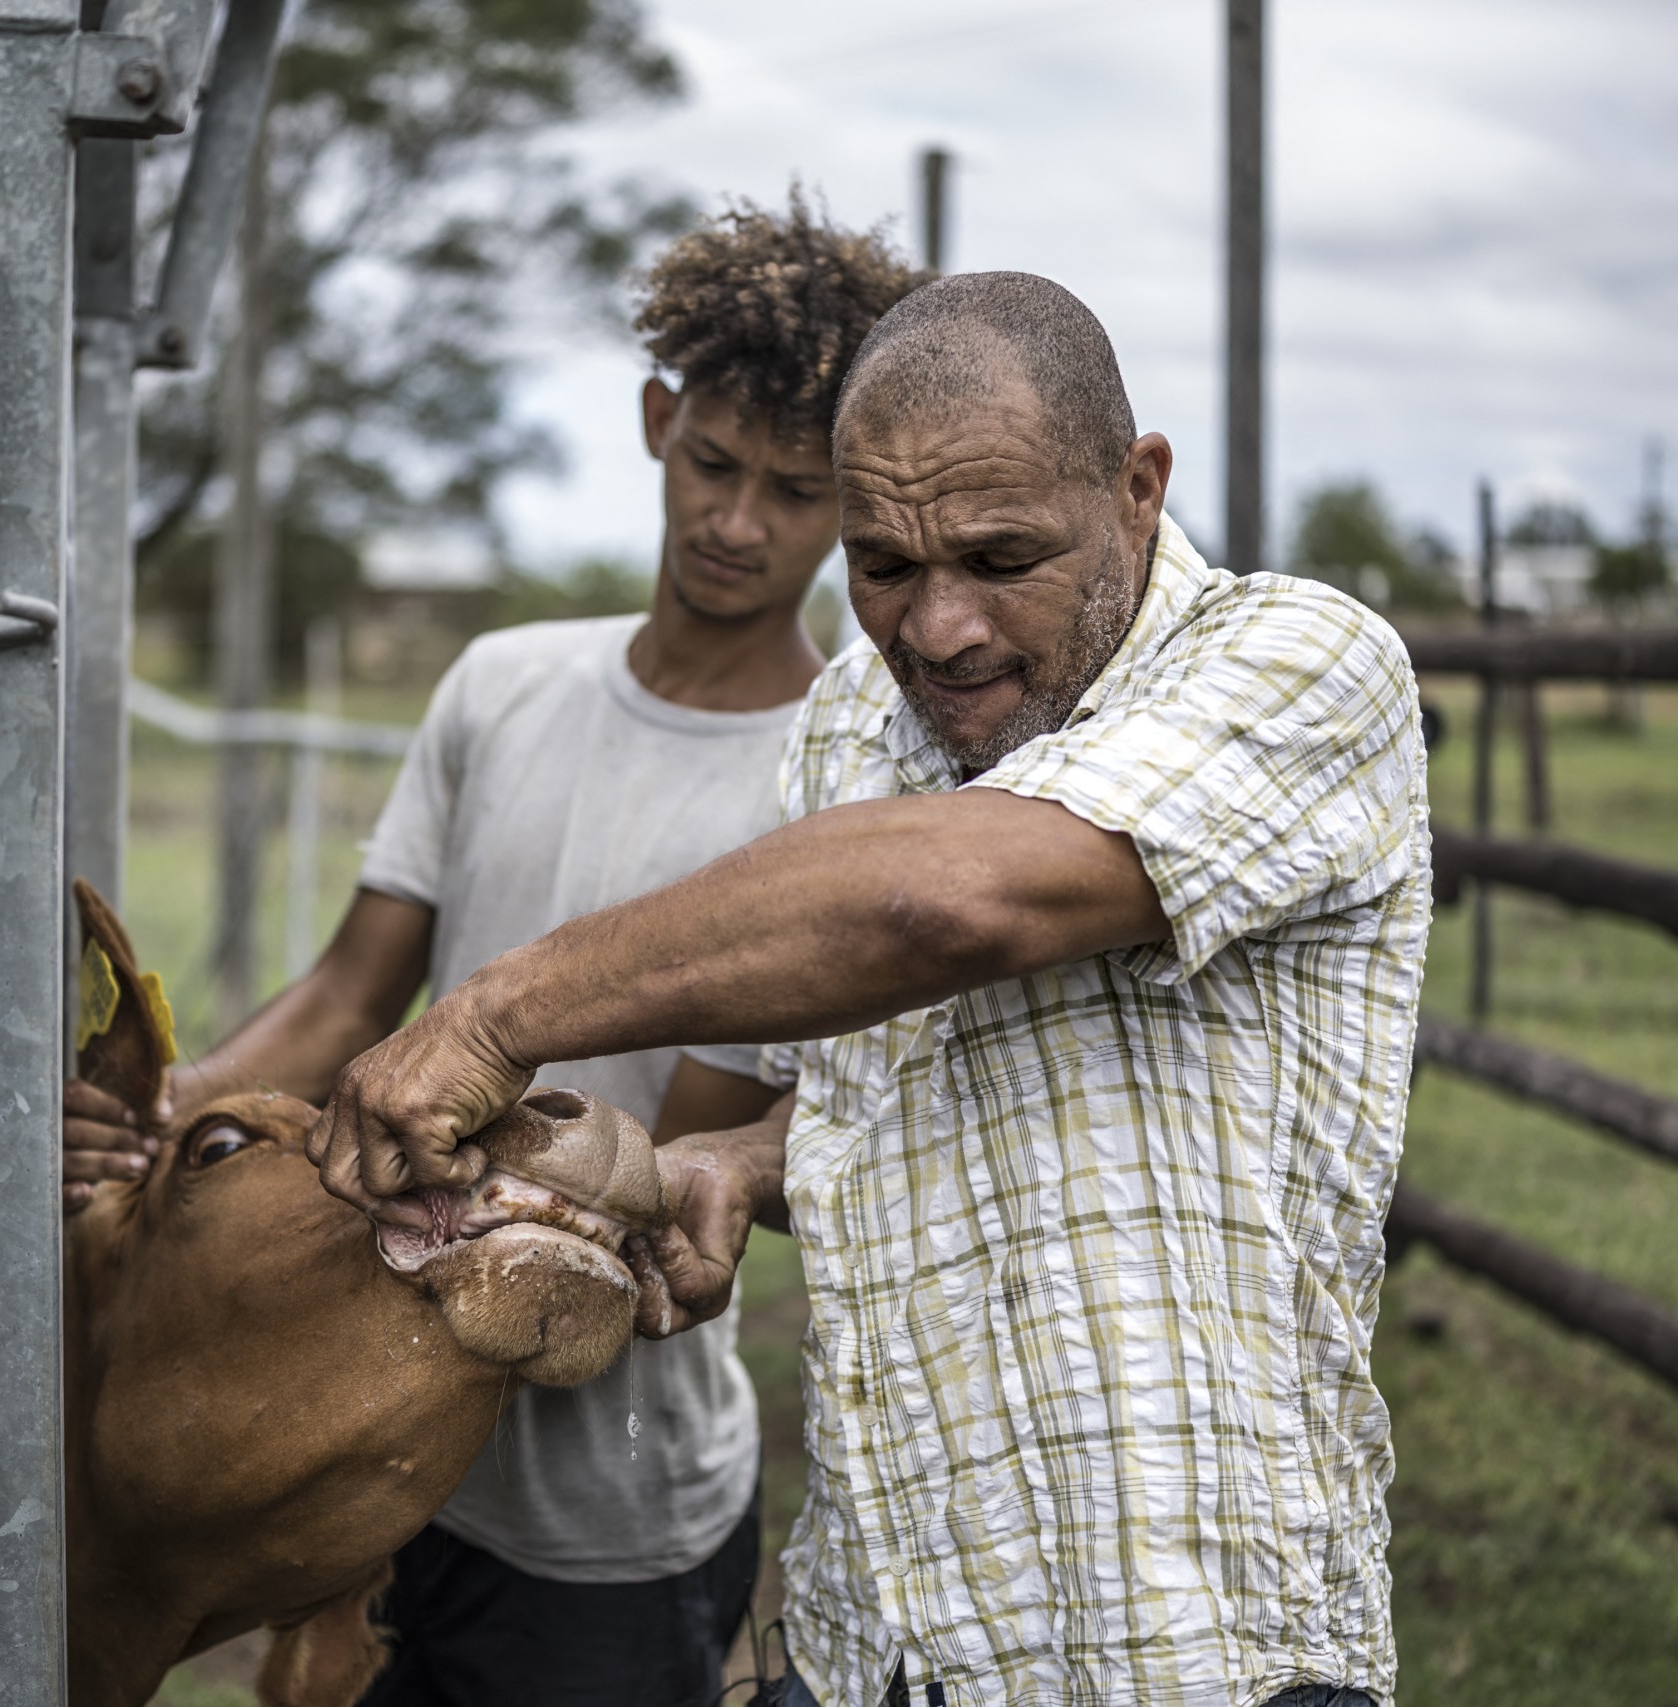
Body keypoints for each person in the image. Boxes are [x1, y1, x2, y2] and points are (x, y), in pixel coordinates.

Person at [308, 272, 1430, 1707]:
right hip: (871, 1641)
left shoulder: (1300, 665)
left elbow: (948, 903)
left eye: (1002, 554)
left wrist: (485, 1018)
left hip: (1183, 1644)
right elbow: (914, 1075)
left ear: (1137, 488)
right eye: (884, 567)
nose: (940, 629)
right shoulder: (854, 715)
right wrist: (753, 1162)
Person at [63, 198, 924, 1706]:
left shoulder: (840, 769)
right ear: (659, 423)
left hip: (609, 1500)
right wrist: (163, 1118)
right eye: (715, 465)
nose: (739, 523)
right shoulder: (502, 683)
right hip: (360, 1442)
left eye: (795, 492)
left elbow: (688, 1149)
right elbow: (350, 994)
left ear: (847, 501)